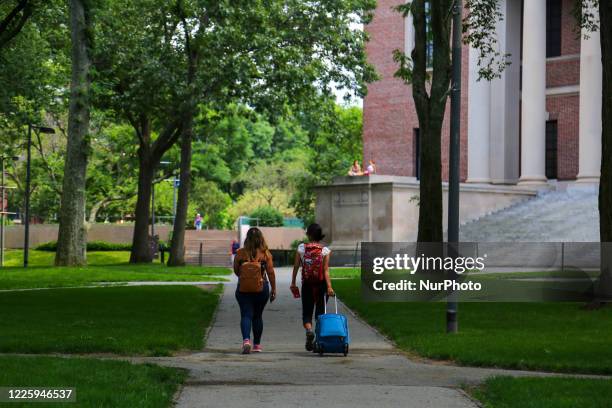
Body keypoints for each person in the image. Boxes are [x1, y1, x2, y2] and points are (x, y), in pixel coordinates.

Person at [290, 223, 334, 351]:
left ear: (308, 234)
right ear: (320, 235)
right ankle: (319, 341)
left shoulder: (301, 248)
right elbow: (326, 270)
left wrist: (293, 282)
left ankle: (309, 330)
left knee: (307, 313)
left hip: (307, 284)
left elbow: (296, 266)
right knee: (320, 314)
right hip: (322, 285)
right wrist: (329, 287)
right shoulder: (325, 250)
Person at [234, 227, 276, 354]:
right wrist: (273, 289)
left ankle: (246, 341)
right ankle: (257, 345)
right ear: (261, 238)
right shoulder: (265, 253)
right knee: (257, 316)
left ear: (247, 238)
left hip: (243, 289)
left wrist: (247, 277)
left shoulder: (240, 253)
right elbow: (271, 273)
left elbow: (236, 271)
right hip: (261, 288)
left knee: (246, 314)